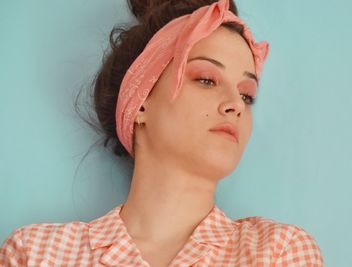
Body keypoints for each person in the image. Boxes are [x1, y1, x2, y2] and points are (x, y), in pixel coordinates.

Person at [0, 0, 324, 266]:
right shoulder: (35, 254)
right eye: (206, 80)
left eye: (247, 95)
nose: (235, 106)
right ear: (140, 102)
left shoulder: (279, 253)